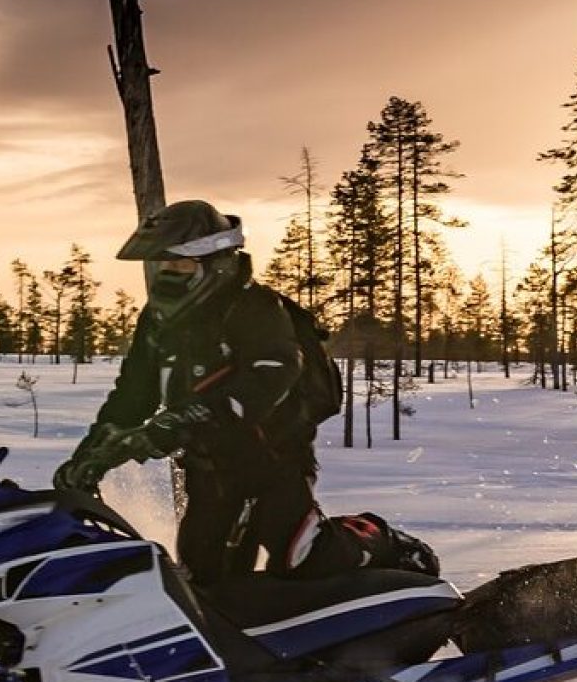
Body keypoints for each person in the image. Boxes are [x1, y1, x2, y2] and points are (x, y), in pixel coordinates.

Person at [53, 199, 439, 586]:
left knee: (301, 556)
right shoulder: (156, 321)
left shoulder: (256, 308)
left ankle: (383, 540)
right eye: (161, 264)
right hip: (207, 469)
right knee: (202, 579)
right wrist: (90, 458)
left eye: (180, 265)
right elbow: (131, 396)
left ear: (215, 262)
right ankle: (262, 642)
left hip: (272, 461)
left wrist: (181, 421)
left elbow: (271, 375)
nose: (167, 274)